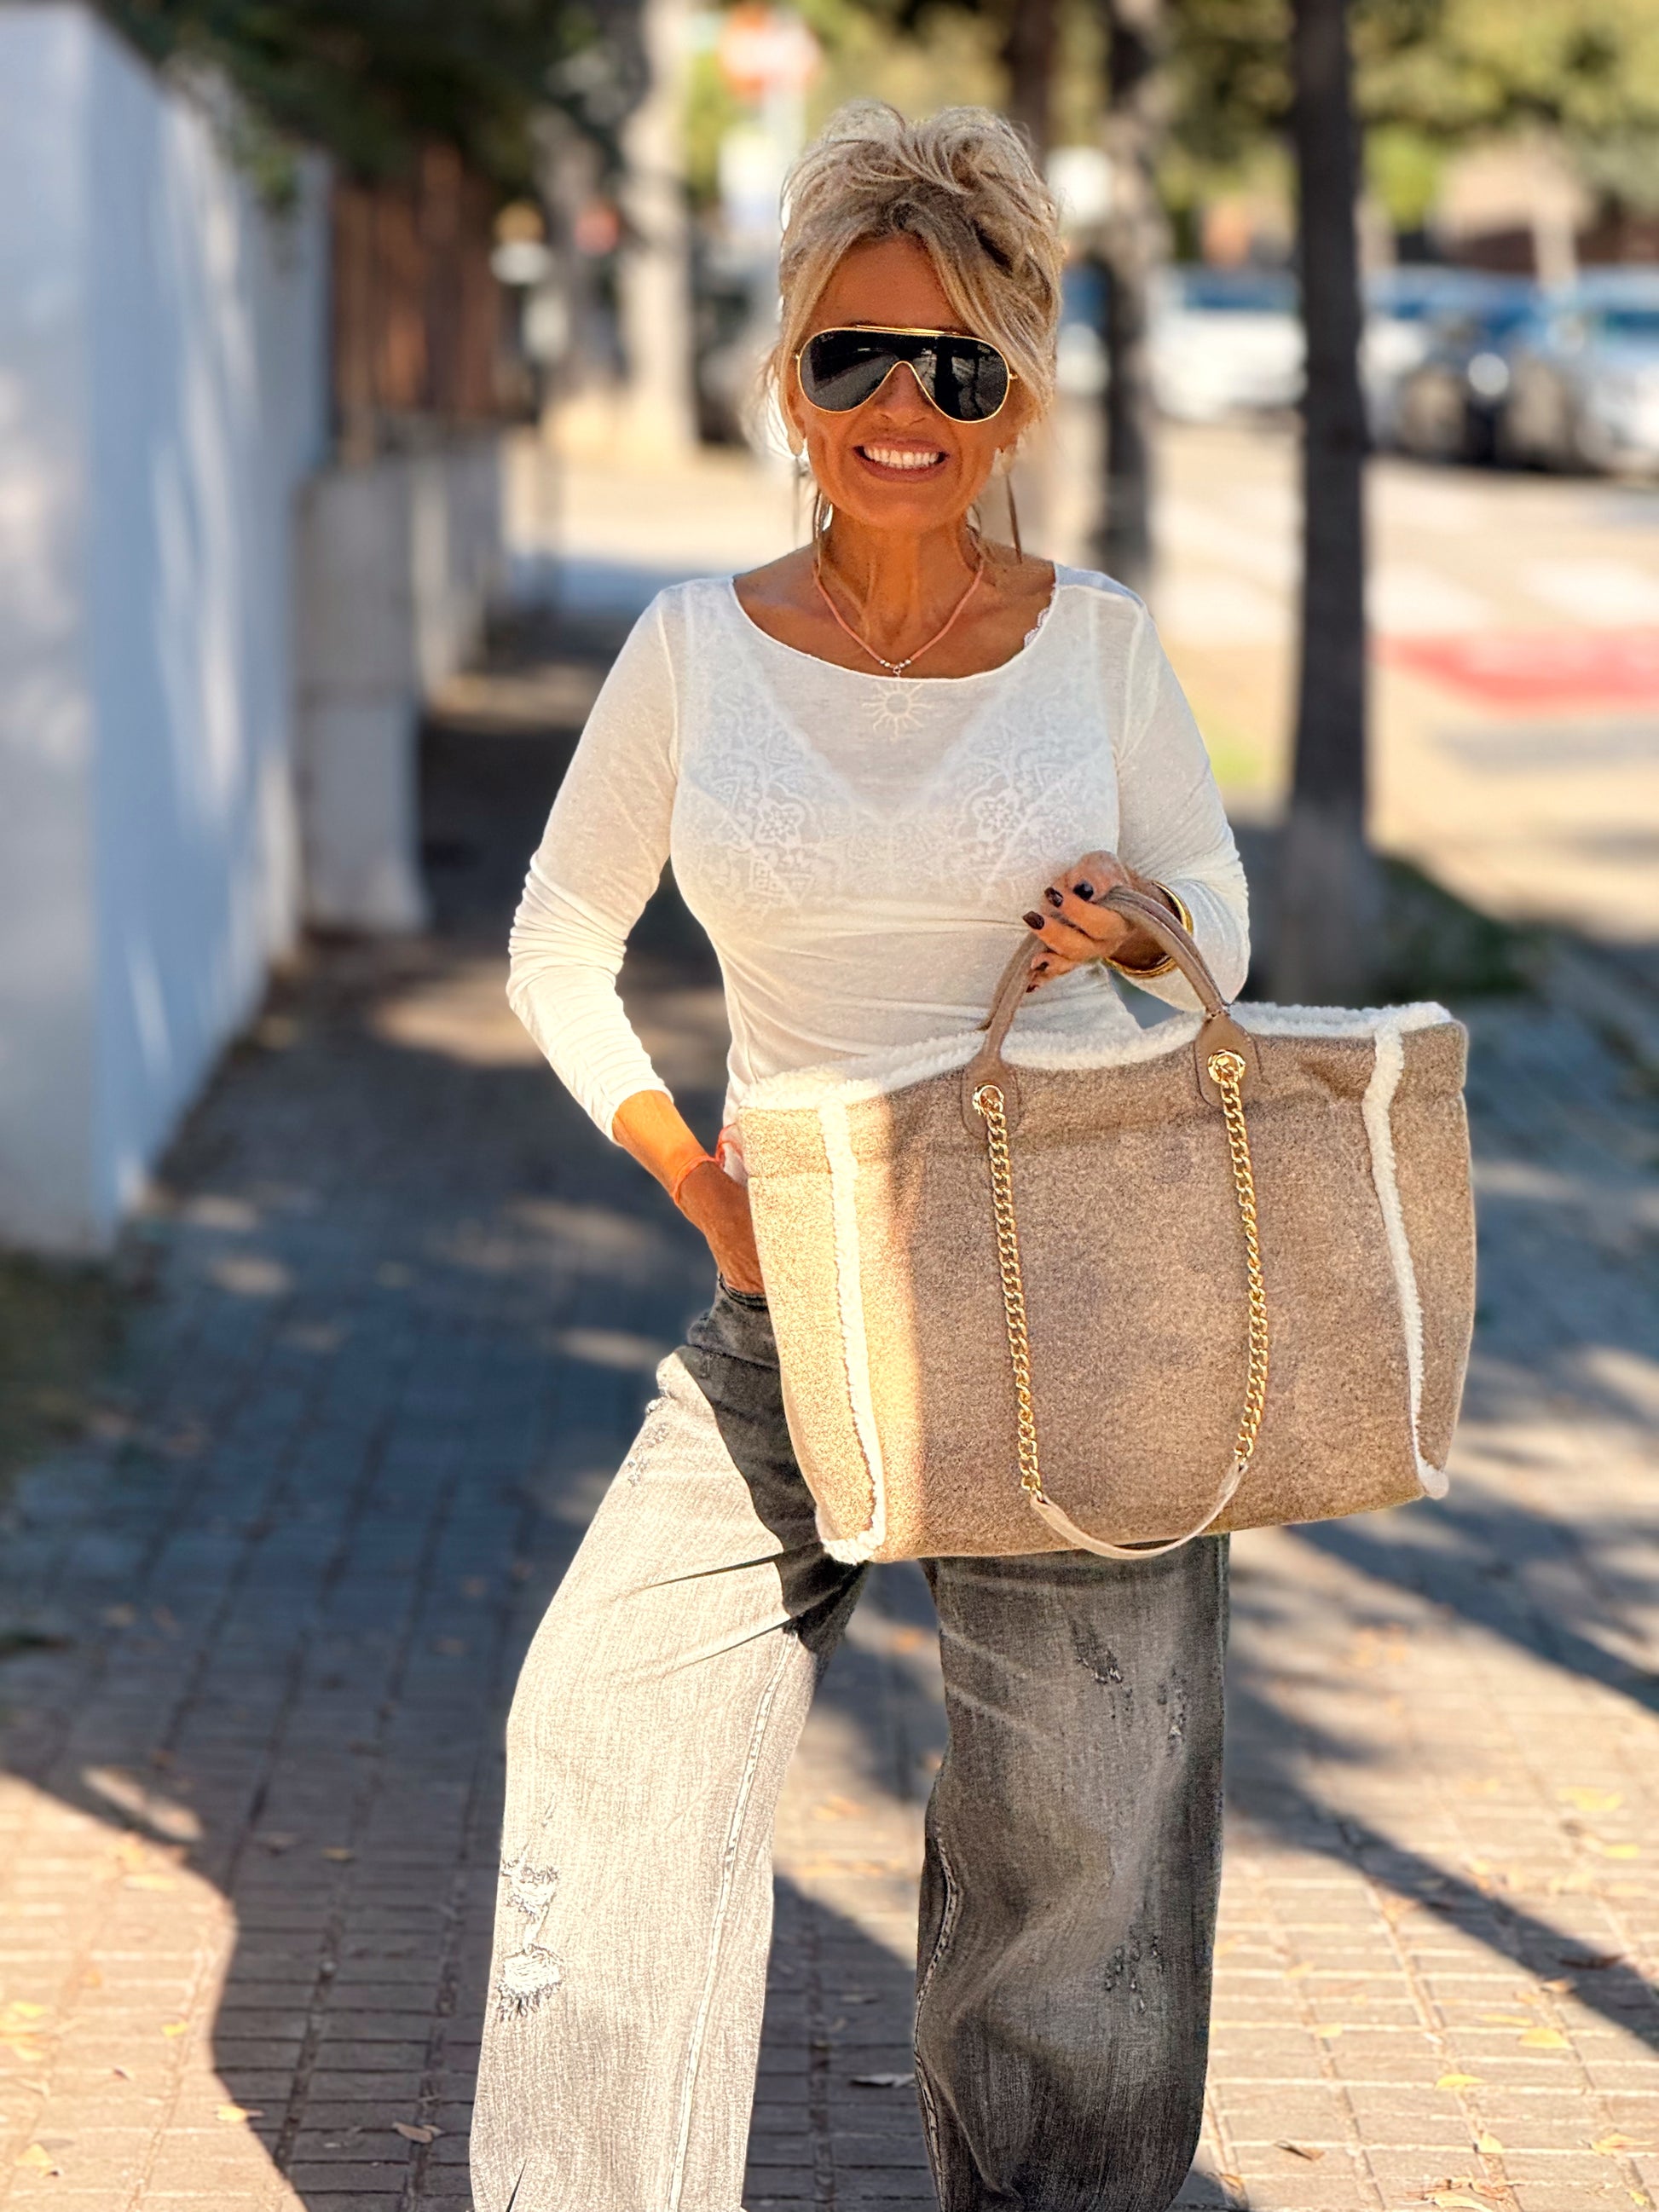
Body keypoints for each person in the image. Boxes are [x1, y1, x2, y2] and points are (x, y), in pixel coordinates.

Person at [471, 101, 1249, 2212]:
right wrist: (693, 1180)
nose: (903, 404)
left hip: (1062, 1299)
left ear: (1016, 399)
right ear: (791, 381)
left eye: (956, 366)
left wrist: (1138, 925)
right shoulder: (690, 647)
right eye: (854, 355)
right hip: (785, 1292)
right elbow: (554, 940)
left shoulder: (1094, 641)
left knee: (1079, 1838)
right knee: (604, 1718)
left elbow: (1218, 916)